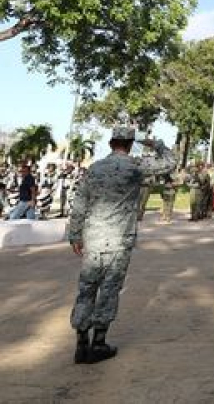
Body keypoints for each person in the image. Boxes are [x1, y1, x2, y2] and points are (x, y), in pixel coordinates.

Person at [68, 126, 175, 364]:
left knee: (86, 288)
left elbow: (80, 203)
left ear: (110, 143)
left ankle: (81, 343)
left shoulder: (94, 169)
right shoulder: (135, 167)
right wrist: (154, 144)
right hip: (119, 239)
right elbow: (169, 163)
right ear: (129, 145)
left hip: (93, 238)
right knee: (109, 288)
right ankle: (99, 343)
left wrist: (75, 235)